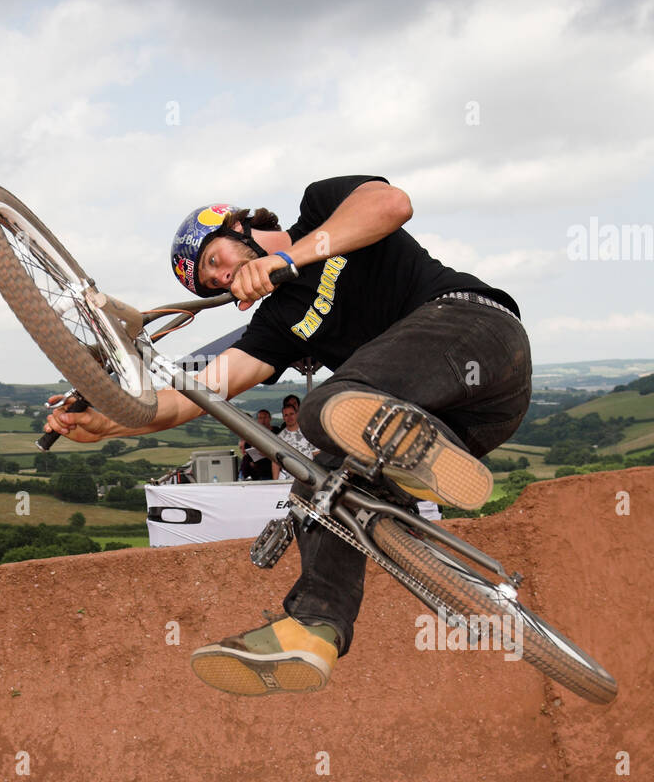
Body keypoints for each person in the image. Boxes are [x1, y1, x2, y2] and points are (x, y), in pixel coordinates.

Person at [45, 175, 532, 699]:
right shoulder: (277, 325)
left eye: (215, 261)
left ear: (237, 223)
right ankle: (313, 629)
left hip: (475, 335)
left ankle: (414, 460)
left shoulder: (321, 207)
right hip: (468, 424)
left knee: (325, 409)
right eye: (214, 285)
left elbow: (392, 204)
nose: (224, 278)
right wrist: (111, 420)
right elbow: (196, 395)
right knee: (317, 486)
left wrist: (290, 259)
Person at [271, 399, 318, 481]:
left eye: (291, 414)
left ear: (297, 414)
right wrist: (275, 482)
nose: (289, 417)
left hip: (310, 478)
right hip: (288, 480)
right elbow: (275, 462)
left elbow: (317, 455)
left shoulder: (308, 433)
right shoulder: (279, 438)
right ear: (283, 418)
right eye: (286, 415)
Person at [239, 407, 278, 480]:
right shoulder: (253, 434)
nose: (263, 420)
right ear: (257, 420)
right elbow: (247, 449)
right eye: (260, 418)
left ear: (270, 418)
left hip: (273, 469)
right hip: (258, 471)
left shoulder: (277, 431)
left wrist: (267, 453)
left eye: (265, 417)